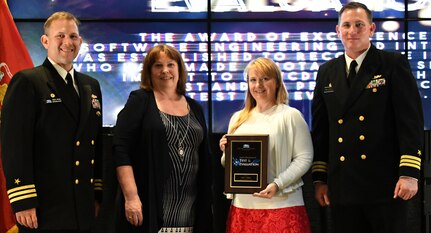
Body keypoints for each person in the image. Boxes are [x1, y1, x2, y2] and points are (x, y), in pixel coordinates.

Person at [311, 2, 424, 233]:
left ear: (371, 29)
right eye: (347, 25)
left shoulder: (392, 64)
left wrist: (409, 174)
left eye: (359, 25)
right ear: (338, 31)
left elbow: (410, 123)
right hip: (342, 187)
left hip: (385, 185)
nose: (352, 31)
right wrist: (320, 178)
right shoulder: (326, 72)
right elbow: (322, 131)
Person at [1, 11, 103, 233]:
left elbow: (95, 144)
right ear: (45, 41)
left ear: (80, 41)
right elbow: (15, 145)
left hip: (82, 205)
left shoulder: (91, 86)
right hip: (43, 207)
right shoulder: (28, 81)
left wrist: (96, 194)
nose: (68, 42)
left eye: (73, 36)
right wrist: (23, 200)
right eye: (60, 36)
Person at [113, 44, 213, 233]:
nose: (165, 70)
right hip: (149, 210)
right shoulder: (140, 100)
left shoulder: (195, 107)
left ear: (179, 69)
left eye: (170, 64)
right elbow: (121, 150)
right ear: (149, 71)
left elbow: (205, 157)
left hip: (191, 212)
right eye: (158, 66)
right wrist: (131, 197)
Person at [219, 57, 313, 233]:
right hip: (243, 207)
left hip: (282, 205)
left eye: (265, 79)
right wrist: (227, 152)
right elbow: (229, 165)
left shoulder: (291, 115)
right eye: (253, 80)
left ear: (277, 82)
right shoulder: (238, 118)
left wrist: (278, 184)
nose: (258, 85)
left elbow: (304, 157)